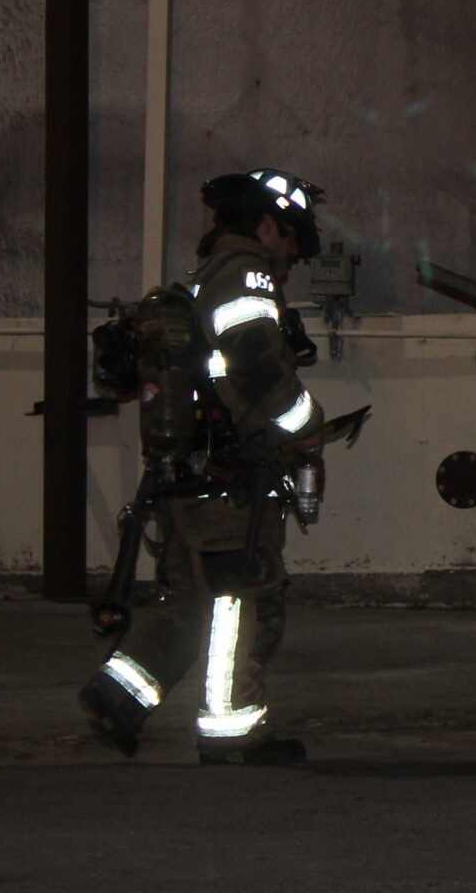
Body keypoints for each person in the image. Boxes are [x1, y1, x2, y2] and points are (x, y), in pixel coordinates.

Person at [78, 168, 327, 766]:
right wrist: (307, 430)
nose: (293, 254)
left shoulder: (204, 279)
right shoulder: (247, 275)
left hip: (190, 478)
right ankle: (231, 732)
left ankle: (116, 698)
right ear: (267, 225)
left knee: (195, 603)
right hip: (229, 479)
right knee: (248, 602)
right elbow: (258, 367)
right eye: (291, 237)